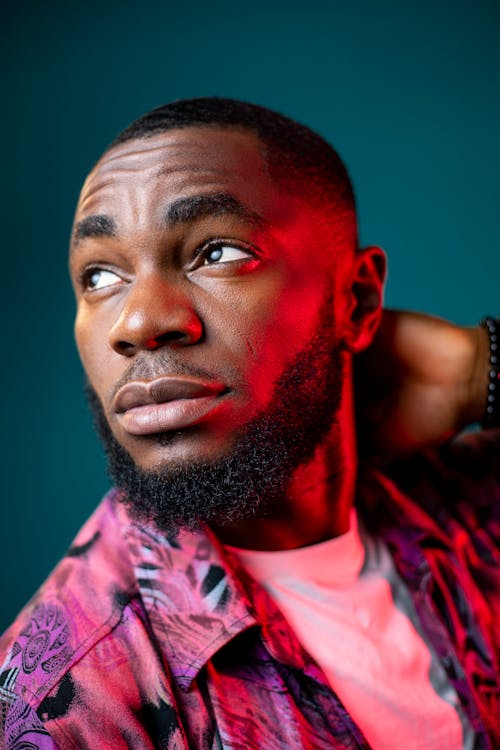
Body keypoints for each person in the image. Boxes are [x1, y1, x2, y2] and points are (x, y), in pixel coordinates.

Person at [0, 97, 498, 750]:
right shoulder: (67, 705)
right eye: (99, 275)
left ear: (357, 300)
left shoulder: (466, 503)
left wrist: (479, 370)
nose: (138, 322)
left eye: (217, 253)